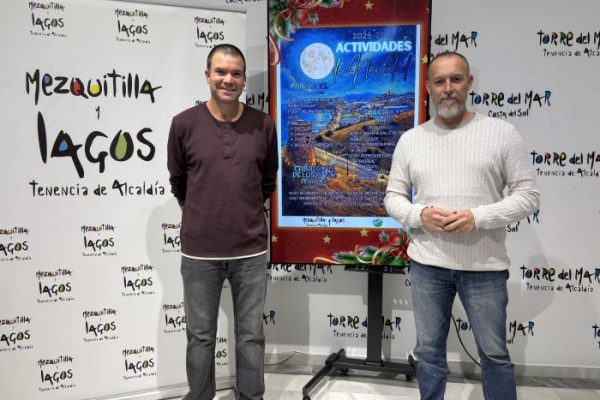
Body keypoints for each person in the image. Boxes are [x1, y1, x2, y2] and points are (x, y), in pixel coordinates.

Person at [384, 51, 540, 400]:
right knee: (428, 354)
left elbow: (528, 196)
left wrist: (477, 218)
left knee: (495, 356)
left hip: (484, 268)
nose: (448, 88)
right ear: (428, 87)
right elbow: (393, 197)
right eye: (439, 81)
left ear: (469, 83)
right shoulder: (411, 140)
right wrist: (420, 215)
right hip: (427, 265)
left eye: (456, 79)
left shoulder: (502, 133)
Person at [167, 43, 278, 400]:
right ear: (207, 75)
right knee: (200, 337)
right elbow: (179, 182)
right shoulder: (183, 124)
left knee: (250, 335)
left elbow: (268, 181)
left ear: (244, 80)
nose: (228, 79)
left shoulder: (263, 125)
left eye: (236, 73)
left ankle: (251, 396)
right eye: (221, 72)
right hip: (200, 253)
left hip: (250, 251)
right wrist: (203, 213)